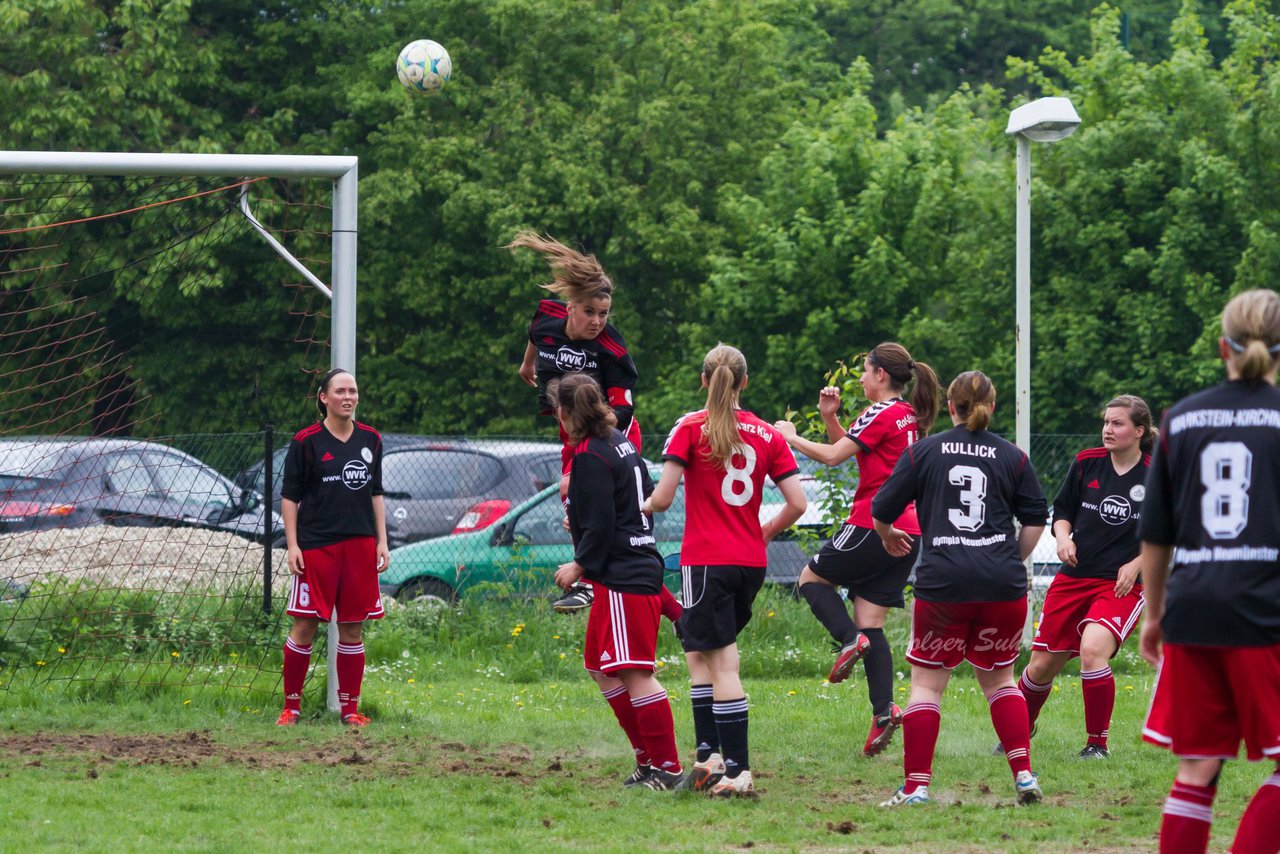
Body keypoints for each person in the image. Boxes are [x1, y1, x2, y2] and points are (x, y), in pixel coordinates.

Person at [1138, 289, 1280, 854]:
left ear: (1222, 345)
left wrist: (1154, 614)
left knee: (1198, 770)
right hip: (1267, 608)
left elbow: (1156, 534)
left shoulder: (1182, 418)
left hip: (1194, 605)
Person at [871, 370, 1047, 807]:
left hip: (944, 583)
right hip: (1002, 586)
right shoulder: (1013, 457)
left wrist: (887, 534)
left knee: (927, 688)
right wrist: (1011, 560)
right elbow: (1036, 519)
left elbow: (882, 508)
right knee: (1002, 682)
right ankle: (1024, 775)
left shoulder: (924, 451)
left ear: (951, 407)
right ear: (994, 405)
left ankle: (915, 788)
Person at [645, 345, 807, 797]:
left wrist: (631, 509)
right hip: (749, 562)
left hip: (706, 559)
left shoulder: (691, 428)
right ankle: (708, 756)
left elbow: (661, 499)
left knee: (722, 662)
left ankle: (738, 772)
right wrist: (766, 530)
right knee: (700, 653)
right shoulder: (768, 435)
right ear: (744, 383)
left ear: (703, 381)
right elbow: (798, 503)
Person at [772, 342, 940, 756]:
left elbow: (831, 458)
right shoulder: (907, 416)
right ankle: (884, 712)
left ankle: (847, 641)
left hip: (873, 523)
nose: (861, 379)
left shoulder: (880, 412)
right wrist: (830, 418)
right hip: (910, 530)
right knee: (871, 620)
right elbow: (853, 453)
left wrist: (790, 437)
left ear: (880, 374)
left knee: (811, 578)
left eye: (864, 372)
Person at [509, 231, 669, 619]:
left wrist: (590, 451)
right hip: (574, 437)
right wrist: (528, 365)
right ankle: (675, 614)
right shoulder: (547, 314)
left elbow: (623, 410)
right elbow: (535, 332)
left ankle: (583, 581)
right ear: (569, 307)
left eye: (604, 314)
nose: (598, 321)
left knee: (588, 507)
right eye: (590, 312)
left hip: (611, 435)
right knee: (587, 518)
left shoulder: (611, 348)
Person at [550, 372, 685, 790]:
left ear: (567, 412)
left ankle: (668, 768)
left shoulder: (591, 453)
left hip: (624, 575)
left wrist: (579, 566)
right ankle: (647, 760)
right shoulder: (619, 443)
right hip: (626, 571)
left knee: (634, 672)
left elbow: (605, 523)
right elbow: (625, 505)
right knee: (601, 669)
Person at [1005, 395, 1154, 759]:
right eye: (1105, 422)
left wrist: (1137, 564)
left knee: (1092, 651)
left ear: (1138, 431)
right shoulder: (1086, 463)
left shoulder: (1157, 474)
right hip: (1073, 577)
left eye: (1117, 423)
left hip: (1121, 585)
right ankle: (1019, 732)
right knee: (1040, 667)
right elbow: (1063, 512)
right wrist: (1062, 537)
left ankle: (1096, 745)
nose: (1108, 429)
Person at [277, 368, 390, 727]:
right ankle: (290, 708)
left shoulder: (371, 439)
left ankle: (349, 711)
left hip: (359, 547)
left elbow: (376, 493)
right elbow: (290, 498)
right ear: (324, 398)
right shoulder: (305, 442)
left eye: (353, 391)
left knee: (353, 628)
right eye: (340, 391)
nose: (348, 397)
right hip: (316, 547)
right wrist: (293, 544)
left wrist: (381, 541)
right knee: (305, 626)